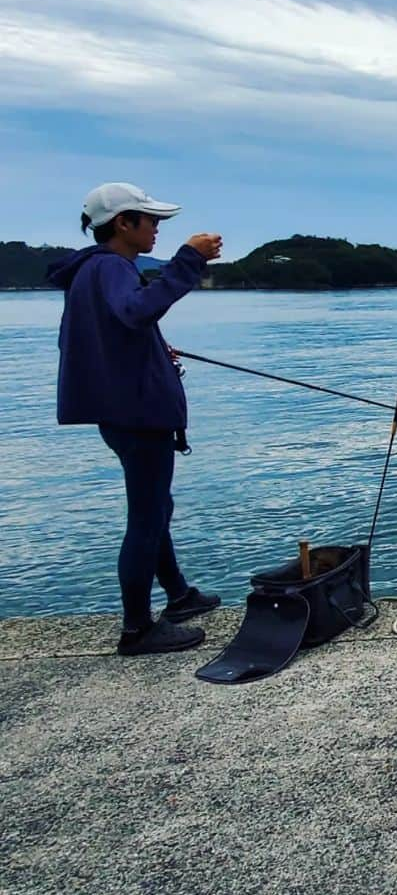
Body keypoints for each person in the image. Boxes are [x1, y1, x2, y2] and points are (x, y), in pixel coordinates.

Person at [49, 182, 224, 655]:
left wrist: (147, 351)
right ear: (123, 223)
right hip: (137, 416)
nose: (157, 231)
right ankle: (137, 629)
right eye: (150, 222)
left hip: (123, 413)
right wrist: (190, 259)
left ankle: (179, 595)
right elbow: (138, 309)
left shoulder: (91, 271)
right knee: (146, 517)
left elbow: (101, 334)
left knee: (155, 507)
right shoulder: (111, 266)